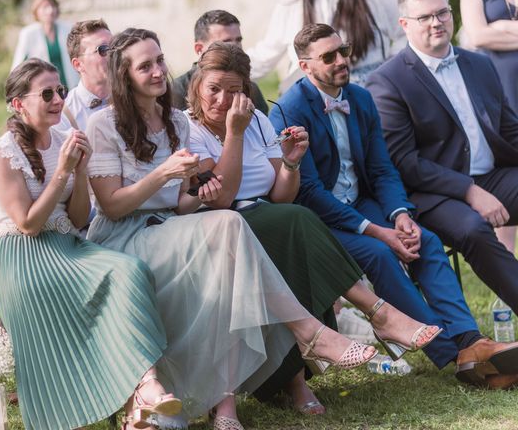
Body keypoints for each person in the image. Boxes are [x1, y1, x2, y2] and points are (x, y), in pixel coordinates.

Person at [85, 28, 376, 430]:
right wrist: (164, 174)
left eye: (159, 61)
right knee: (230, 224)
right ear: (123, 73)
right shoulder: (102, 124)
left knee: (227, 225)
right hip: (124, 235)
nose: (157, 72)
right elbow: (113, 206)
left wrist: (202, 195)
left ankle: (229, 404)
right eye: (145, 65)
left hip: (172, 226)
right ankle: (309, 332)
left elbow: (183, 201)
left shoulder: (173, 123)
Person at [186, 42, 440, 414]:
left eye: (235, 90)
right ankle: (378, 313)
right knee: (299, 220)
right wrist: (234, 134)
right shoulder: (190, 129)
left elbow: (281, 194)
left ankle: (296, 381)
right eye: (214, 89)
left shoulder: (256, 119)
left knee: (294, 228)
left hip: (270, 217)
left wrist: (291, 163)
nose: (224, 99)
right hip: (220, 225)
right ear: (196, 86)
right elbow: (222, 198)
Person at [271, 23, 518, 389]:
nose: (341, 60)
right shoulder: (289, 110)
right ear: (305, 67)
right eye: (328, 57)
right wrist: (378, 231)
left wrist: (399, 215)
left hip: (362, 202)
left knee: (427, 242)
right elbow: (308, 193)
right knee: (380, 254)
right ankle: (455, 352)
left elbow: (381, 168)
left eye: (344, 50)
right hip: (320, 220)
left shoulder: (360, 97)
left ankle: (471, 343)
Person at [0, 58, 180, 430]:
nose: (57, 100)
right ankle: (131, 401)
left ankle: (146, 386)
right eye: (47, 93)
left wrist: (81, 171)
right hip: (22, 256)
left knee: (129, 271)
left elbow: (82, 218)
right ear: (19, 103)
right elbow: (28, 223)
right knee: (78, 288)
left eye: (61, 92)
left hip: (68, 244)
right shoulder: (0, 153)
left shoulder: (65, 137)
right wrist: (65, 170)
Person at [366, 0, 518, 317]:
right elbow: (404, 161)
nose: (436, 22)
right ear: (404, 25)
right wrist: (468, 191)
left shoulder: (479, 63)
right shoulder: (388, 80)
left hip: (491, 175)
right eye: (425, 18)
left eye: (442, 13)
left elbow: (508, 130)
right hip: (430, 193)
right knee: (473, 230)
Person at [246, 0, 406, 93]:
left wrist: (389, 68)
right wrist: (230, 67)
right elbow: (267, 53)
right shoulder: (292, 3)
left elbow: (408, 29)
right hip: (313, 98)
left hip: (370, 91)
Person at [454, 0, 518, 254]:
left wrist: (503, 28)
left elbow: (488, 31)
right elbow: (478, 35)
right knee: (509, 162)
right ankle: (507, 260)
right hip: (500, 90)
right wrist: (498, 30)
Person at [171, 10, 269, 114]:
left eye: (238, 40)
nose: (236, 47)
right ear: (199, 49)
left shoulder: (250, 88)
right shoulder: (177, 91)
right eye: (225, 43)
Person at [11, 0, 78, 89]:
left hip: (69, 85)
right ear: (36, 11)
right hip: (45, 88)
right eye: (45, 7)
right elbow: (18, 64)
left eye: (53, 6)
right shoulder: (28, 33)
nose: (50, 11)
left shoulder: (68, 29)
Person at [56, 19, 113, 131]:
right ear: (78, 64)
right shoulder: (63, 114)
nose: (112, 55)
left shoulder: (133, 99)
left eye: (114, 47)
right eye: (103, 50)